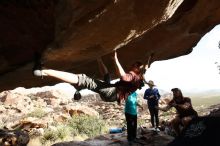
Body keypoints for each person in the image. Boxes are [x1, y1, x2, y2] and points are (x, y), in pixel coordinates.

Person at [33, 51, 153, 104]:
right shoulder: (139, 78)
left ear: (137, 68)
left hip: (112, 93)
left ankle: (44, 71)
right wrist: (149, 57)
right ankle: (99, 59)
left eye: (134, 65)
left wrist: (115, 59)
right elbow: (145, 69)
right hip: (112, 94)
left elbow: (123, 75)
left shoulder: (134, 76)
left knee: (85, 80)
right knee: (107, 77)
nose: (132, 66)